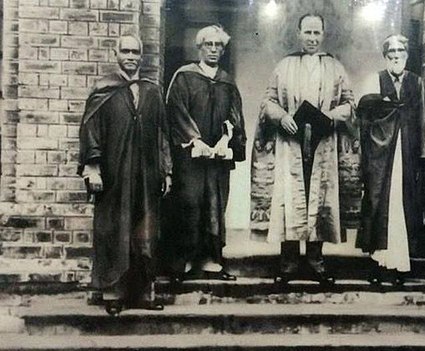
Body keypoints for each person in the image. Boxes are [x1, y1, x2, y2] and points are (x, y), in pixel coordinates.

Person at [250, 14, 356, 286]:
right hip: (292, 142)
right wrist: (281, 116)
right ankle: (287, 262)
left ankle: (316, 262)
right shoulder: (285, 65)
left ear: (323, 35)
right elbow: (268, 101)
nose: (311, 38)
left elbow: (349, 103)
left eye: (316, 33)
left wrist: (332, 116)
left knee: (318, 197)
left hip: (322, 142)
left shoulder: (335, 67)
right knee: (291, 196)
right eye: (307, 32)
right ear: (299, 34)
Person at [78, 34, 172, 315]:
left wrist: (166, 171)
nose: (131, 56)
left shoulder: (152, 91)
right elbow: (90, 130)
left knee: (144, 232)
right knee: (113, 230)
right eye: (126, 51)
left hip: (145, 173)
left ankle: (143, 293)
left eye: (136, 52)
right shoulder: (103, 90)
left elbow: (162, 133)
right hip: (114, 173)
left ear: (141, 56)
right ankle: (112, 293)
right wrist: (92, 167)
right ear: (116, 53)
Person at [355, 34, 425, 285]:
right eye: (390, 52)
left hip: (408, 152)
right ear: (385, 56)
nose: (395, 56)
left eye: (400, 51)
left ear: (407, 55)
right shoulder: (375, 80)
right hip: (380, 155)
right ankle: (378, 267)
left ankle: (400, 266)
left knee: (403, 206)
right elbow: (364, 119)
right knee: (379, 204)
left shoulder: (417, 82)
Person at [165, 25, 246, 282]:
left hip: (217, 160)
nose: (213, 49)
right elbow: (176, 113)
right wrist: (194, 140)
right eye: (208, 44)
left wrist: (226, 141)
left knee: (215, 205)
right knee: (189, 203)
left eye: (218, 45)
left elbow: (235, 118)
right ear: (199, 47)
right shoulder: (184, 77)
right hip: (191, 158)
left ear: (223, 50)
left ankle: (213, 259)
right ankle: (184, 262)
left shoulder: (227, 82)